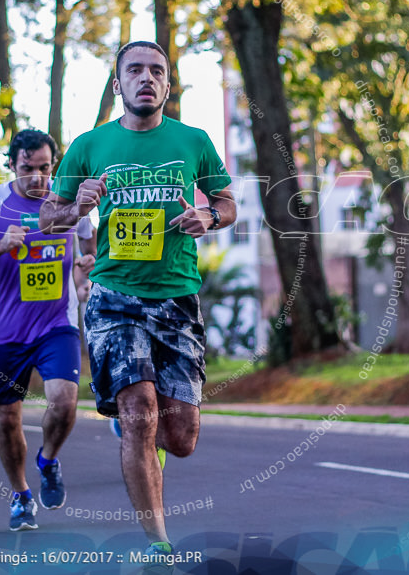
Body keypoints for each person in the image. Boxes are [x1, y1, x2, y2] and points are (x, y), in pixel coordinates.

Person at [40, 41, 236, 561]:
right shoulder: (89, 144)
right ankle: (159, 545)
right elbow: (48, 219)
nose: (146, 78)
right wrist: (76, 204)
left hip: (177, 298)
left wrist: (208, 218)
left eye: (156, 71)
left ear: (167, 86)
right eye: (135, 71)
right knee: (139, 411)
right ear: (117, 85)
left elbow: (227, 202)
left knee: (181, 437)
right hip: (113, 295)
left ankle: (142, 441)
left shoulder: (193, 141)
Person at [0, 129, 96, 531]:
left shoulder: (68, 199)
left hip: (57, 324)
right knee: (6, 419)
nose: (38, 178)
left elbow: (90, 244)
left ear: (55, 164)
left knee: (65, 402)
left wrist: (86, 269)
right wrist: (1, 246)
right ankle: (20, 496)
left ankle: (48, 460)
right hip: (9, 331)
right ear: (11, 165)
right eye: (27, 169)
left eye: (45, 168)